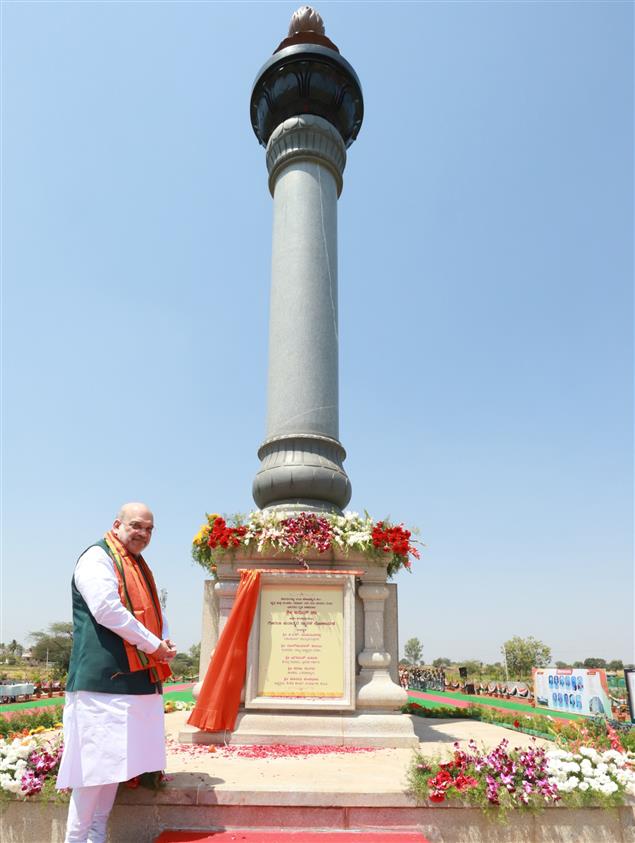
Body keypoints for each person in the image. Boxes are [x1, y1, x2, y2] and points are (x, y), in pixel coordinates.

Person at [56, 502, 176, 843]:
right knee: (93, 772)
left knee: (113, 768)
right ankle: (76, 840)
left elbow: (154, 611)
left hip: (131, 682)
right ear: (117, 524)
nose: (143, 534)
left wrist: (161, 642)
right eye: (137, 526)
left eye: (149, 529)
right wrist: (154, 645)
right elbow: (108, 609)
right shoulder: (97, 558)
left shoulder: (137, 565)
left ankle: (96, 837)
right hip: (101, 684)